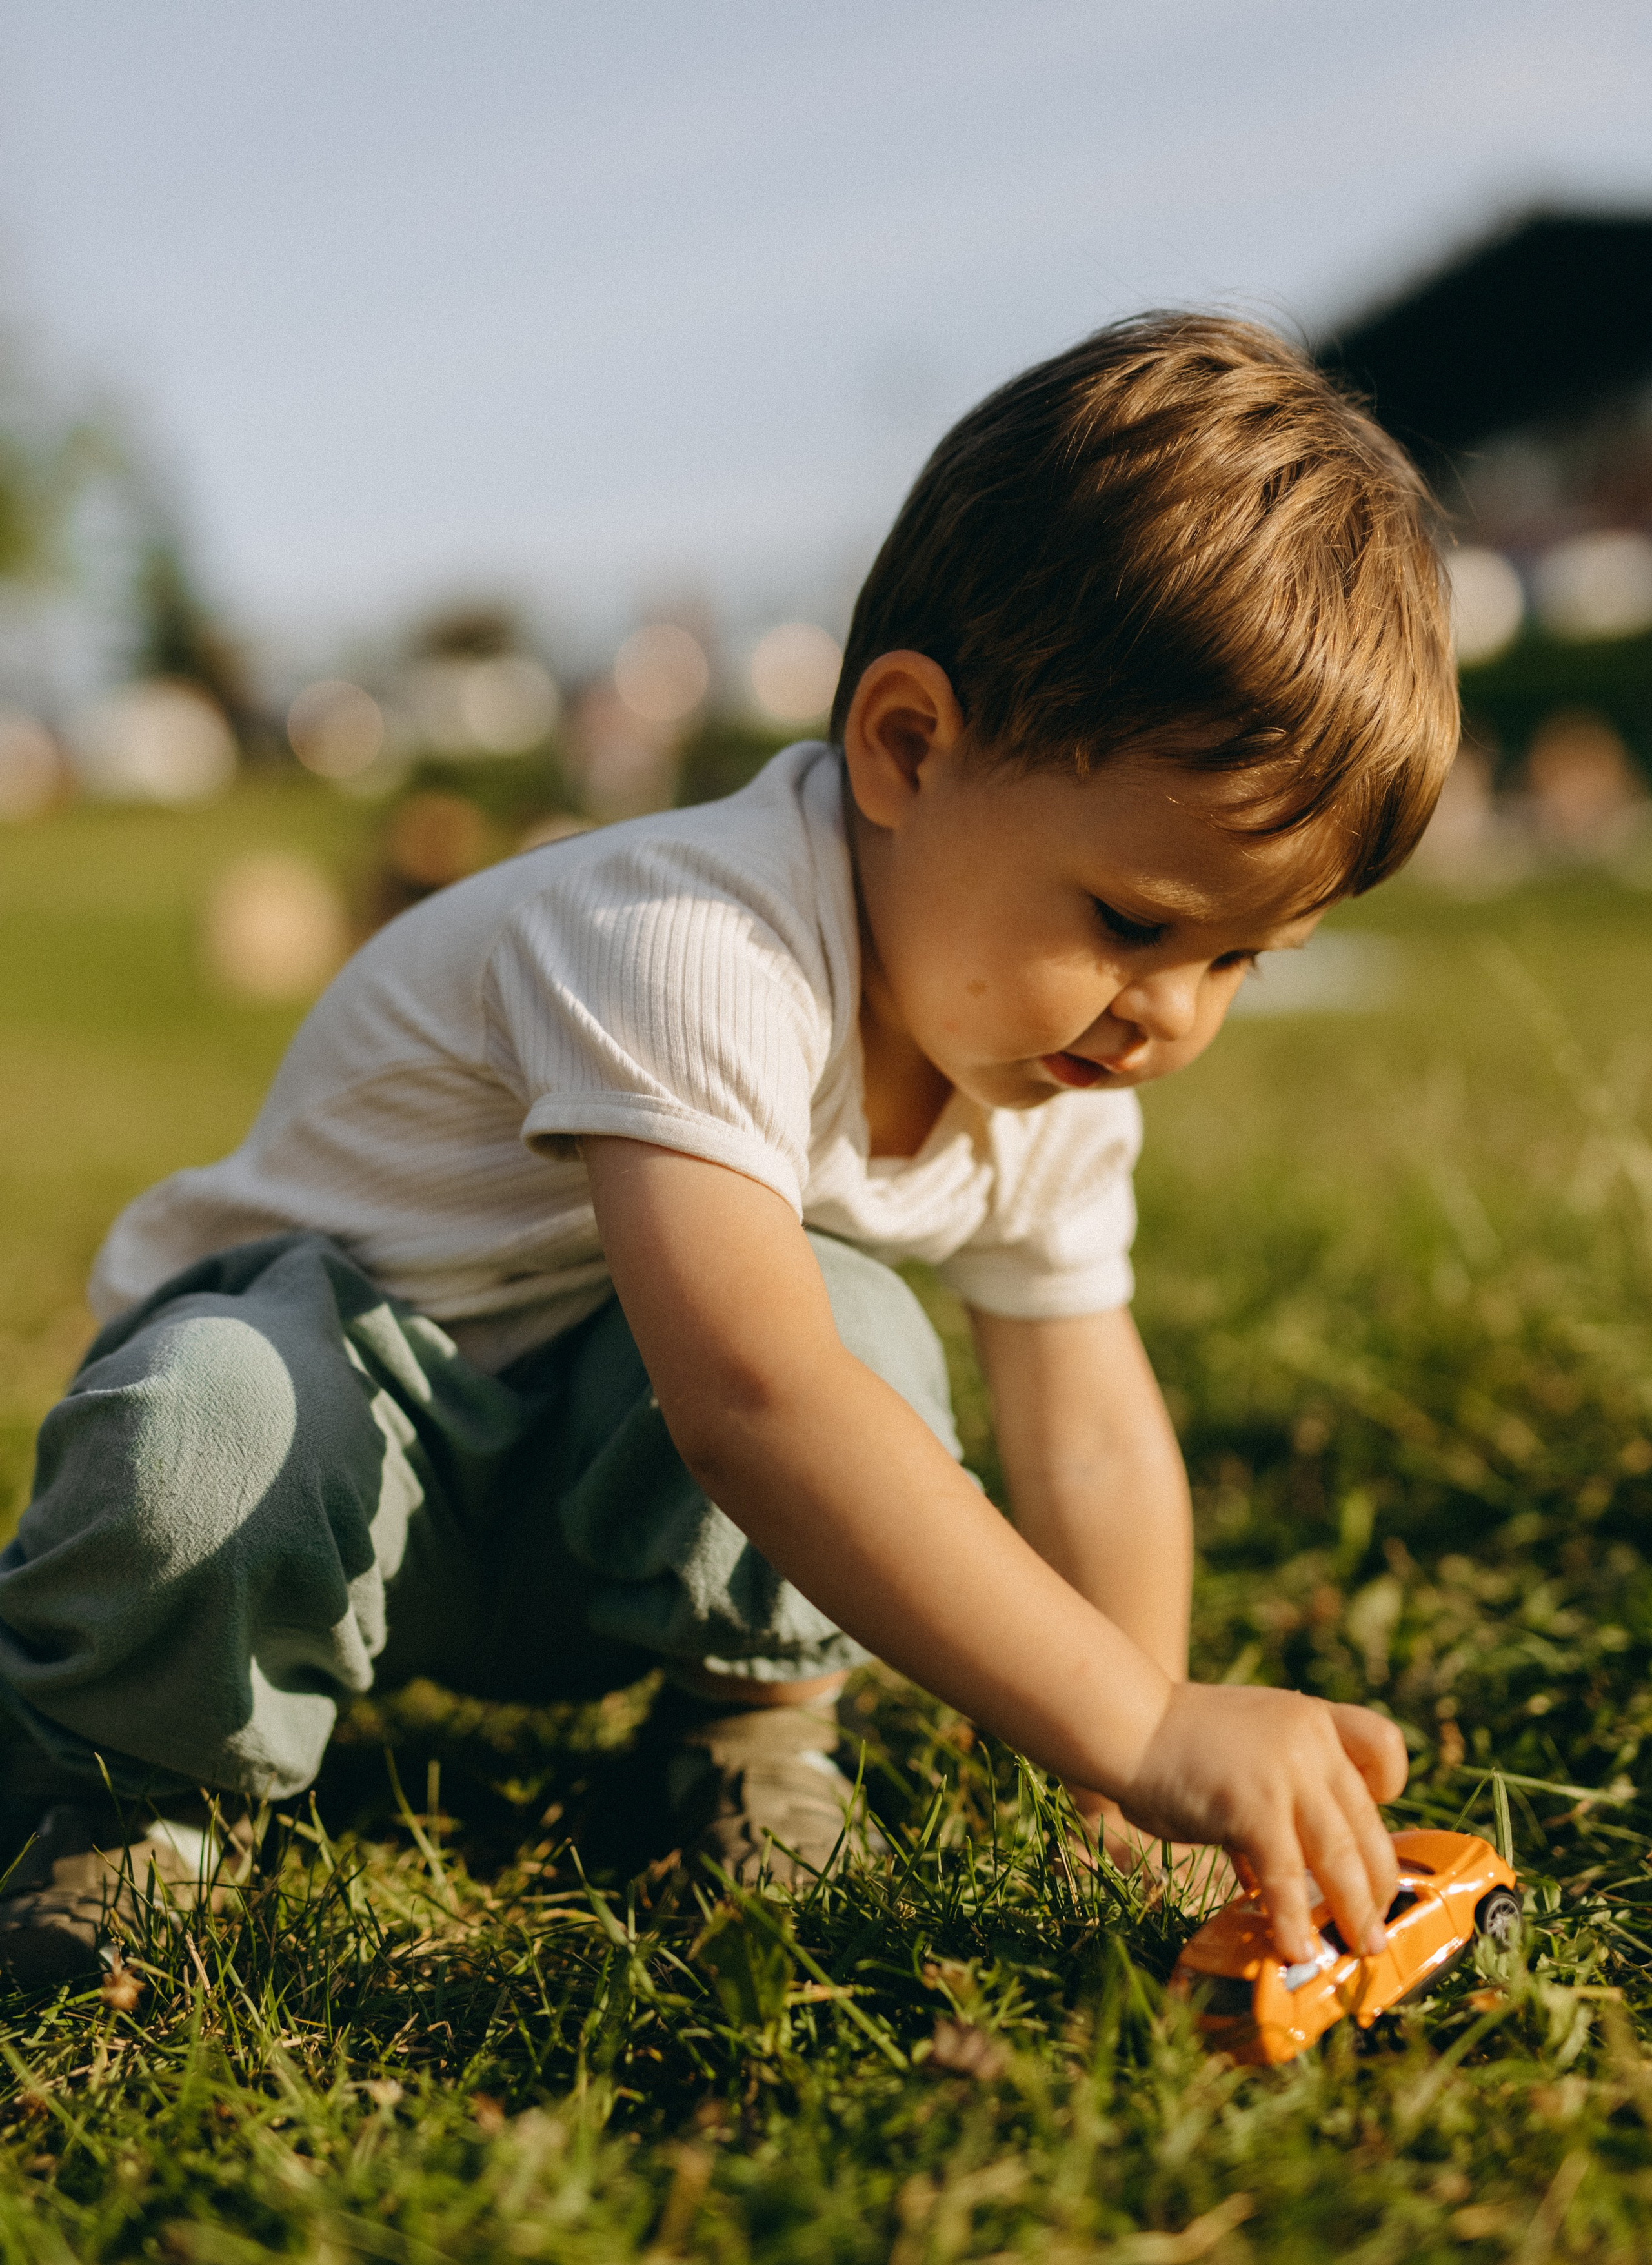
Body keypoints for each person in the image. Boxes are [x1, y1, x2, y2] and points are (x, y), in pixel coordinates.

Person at [0, 314, 1455, 1987]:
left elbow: (1101, 1447)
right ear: (907, 748)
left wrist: (1125, 1788)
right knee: (214, 1428)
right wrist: (1142, 1722)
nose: (1171, 1015)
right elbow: (751, 1398)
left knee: (866, 1325)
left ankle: (742, 1742)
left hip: (572, 1506)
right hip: (331, 1447)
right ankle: (124, 1784)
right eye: (1136, 919)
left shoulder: (1054, 1071)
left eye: (1238, 958)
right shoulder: (693, 938)